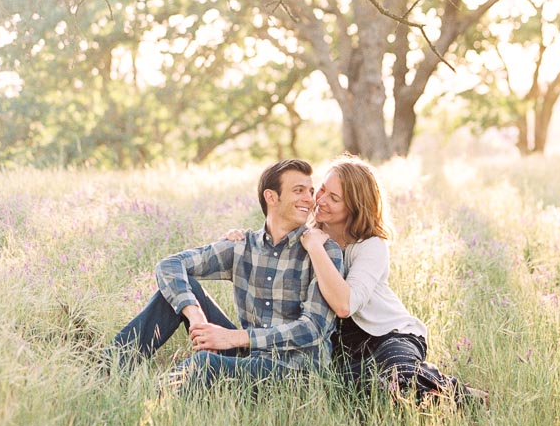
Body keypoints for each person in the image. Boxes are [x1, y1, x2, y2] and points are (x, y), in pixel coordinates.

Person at [103, 158, 343, 393]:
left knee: (203, 365)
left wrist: (233, 338)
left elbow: (313, 328)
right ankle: (106, 371)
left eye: (310, 191)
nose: (309, 199)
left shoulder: (321, 250)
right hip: (250, 357)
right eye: (298, 190)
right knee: (179, 292)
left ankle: (144, 399)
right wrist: (195, 314)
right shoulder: (243, 246)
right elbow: (170, 265)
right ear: (271, 197)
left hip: (294, 371)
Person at [300, 155, 488, 407]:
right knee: (348, 388)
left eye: (334, 198)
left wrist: (315, 248)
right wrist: (237, 239)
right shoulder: (306, 234)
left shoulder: (370, 246)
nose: (321, 201)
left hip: (388, 334)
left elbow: (345, 305)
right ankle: (437, 384)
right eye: (321, 189)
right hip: (342, 345)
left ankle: (463, 396)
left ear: (355, 207)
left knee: (399, 380)